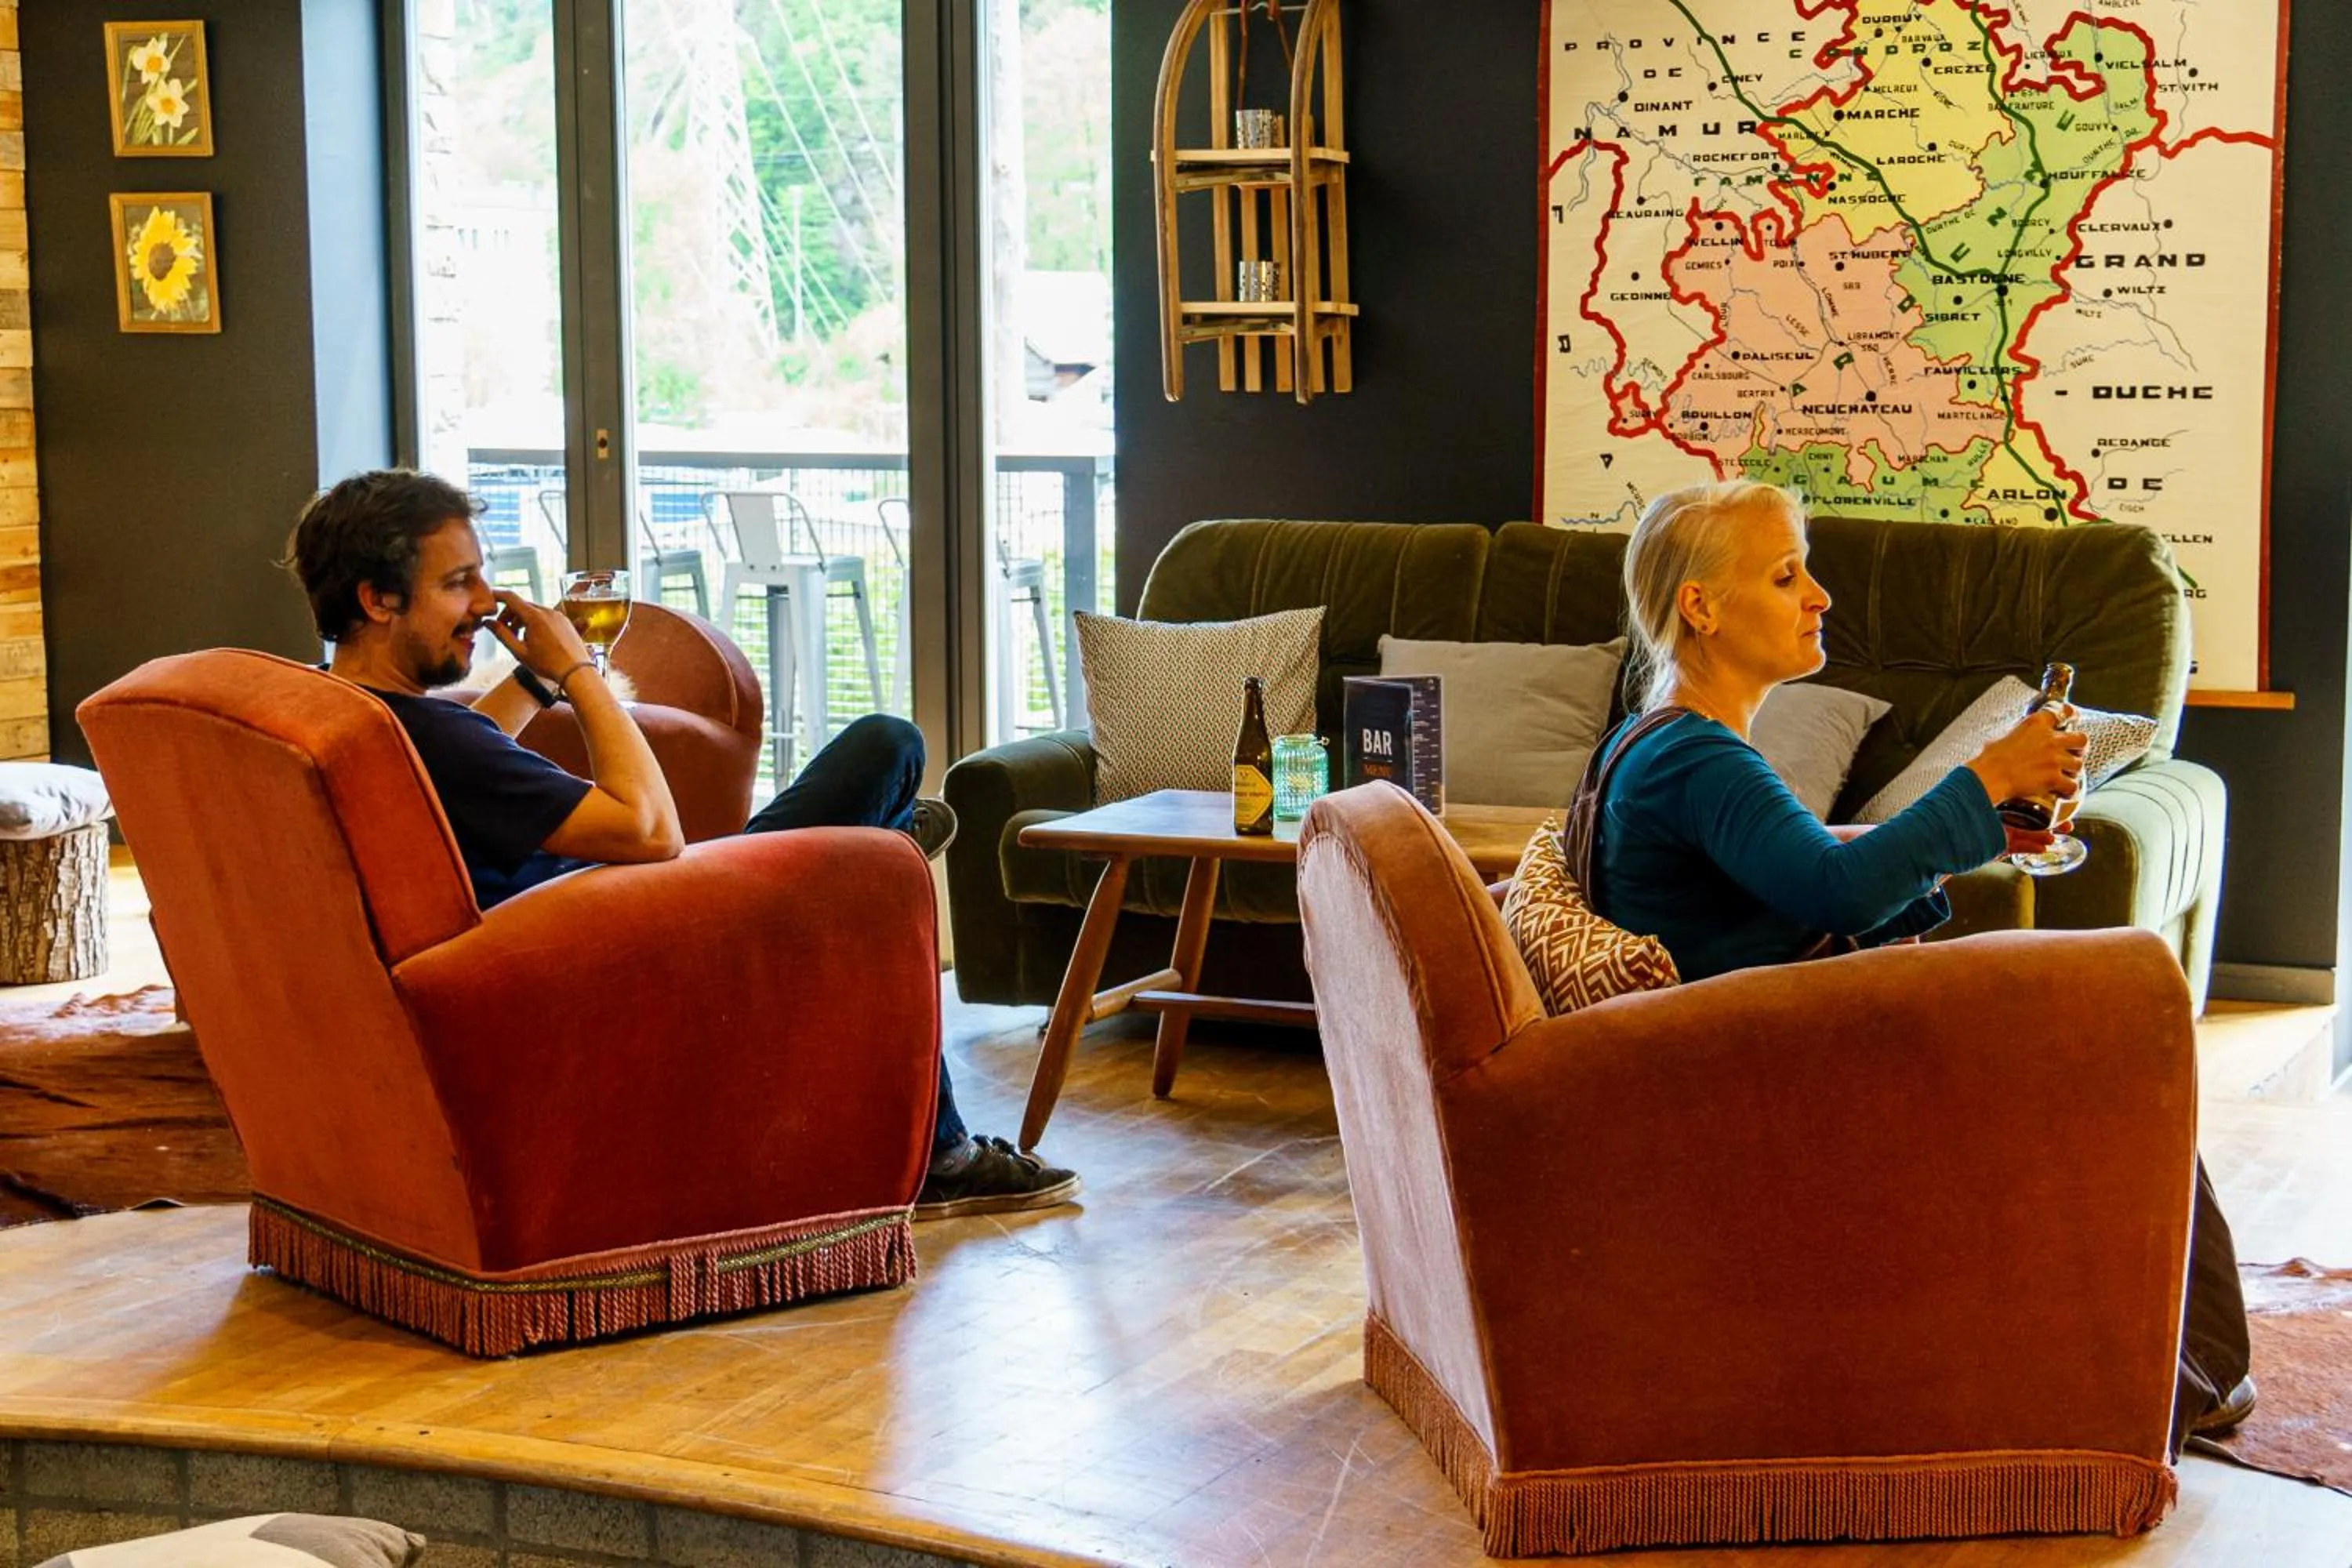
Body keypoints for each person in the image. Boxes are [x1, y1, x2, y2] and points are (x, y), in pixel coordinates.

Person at [1581, 477, 2252, 1446]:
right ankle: (2183, 1376)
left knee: (2093, 1033)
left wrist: (1980, 832)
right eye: (1785, 575)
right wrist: (1984, 779)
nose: (1819, 596)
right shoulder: (1699, 760)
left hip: (1758, 1044)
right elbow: (1835, 891)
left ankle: (2170, 1360)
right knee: (2122, 1036)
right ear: (1703, 607)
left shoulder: (1664, 744)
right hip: (1771, 1078)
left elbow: (1803, 871)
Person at [282, 468, 1079, 1220]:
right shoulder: (436, 736)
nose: (489, 603)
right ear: (377, 598)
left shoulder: (348, 717)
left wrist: (528, 684)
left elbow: (445, 773)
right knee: (886, 747)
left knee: (861, 845)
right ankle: (939, 1139)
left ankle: (879, 845)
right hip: (637, 931)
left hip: (580, 917)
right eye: (459, 582)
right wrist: (580, 676)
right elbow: (652, 831)